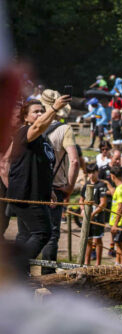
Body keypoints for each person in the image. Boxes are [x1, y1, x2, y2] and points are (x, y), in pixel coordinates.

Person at [7, 97, 69, 263]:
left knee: (28, 235)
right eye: (36, 112)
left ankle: (21, 271)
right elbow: (37, 126)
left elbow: (43, 167)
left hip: (38, 195)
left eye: (42, 111)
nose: (40, 114)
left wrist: (49, 190)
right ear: (25, 117)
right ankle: (17, 267)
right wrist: (54, 108)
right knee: (42, 232)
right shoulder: (24, 132)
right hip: (25, 194)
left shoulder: (42, 139)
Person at [38, 90, 80, 274]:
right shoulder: (65, 129)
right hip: (56, 187)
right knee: (52, 233)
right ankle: (47, 276)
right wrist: (69, 186)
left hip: (33, 186)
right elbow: (75, 161)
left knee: (27, 232)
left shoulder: (32, 126)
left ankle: (21, 273)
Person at [79, 163, 108, 266]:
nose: (91, 175)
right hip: (87, 217)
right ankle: (86, 262)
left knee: (97, 240)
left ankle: (98, 264)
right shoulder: (86, 185)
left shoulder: (101, 185)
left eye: (93, 172)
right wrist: (83, 210)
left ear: (97, 172)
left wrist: (93, 213)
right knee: (88, 240)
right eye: (89, 173)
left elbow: (103, 203)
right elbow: (81, 200)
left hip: (97, 217)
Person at [108, 165, 122, 264]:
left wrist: (115, 224)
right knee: (118, 243)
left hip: (120, 222)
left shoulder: (121, 189)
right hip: (117, 221)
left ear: (112, 176)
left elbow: (120, 207)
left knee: (121, 243)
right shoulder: (121, 187)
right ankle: (119, 263)